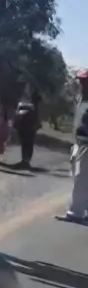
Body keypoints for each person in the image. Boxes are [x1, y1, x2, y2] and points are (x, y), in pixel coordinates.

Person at [56, 71, 88, 223]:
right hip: (79, 143)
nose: (81, 84)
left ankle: (76, 212)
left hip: (86, 144)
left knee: (81, 178)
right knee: (79, 176)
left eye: (83, 81)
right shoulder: (81, 99)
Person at [13, 90, 42, 169]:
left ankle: (25, 161)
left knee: (25, 145)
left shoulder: (27, 106)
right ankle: (26, 161)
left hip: (25, 128)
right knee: (28, 145)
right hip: (29, 128)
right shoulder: (33, 107)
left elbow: (18, 115)